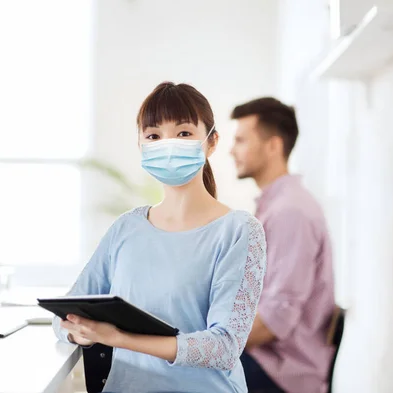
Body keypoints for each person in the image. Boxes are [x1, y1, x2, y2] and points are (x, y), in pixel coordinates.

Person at [52, 82, 267, 393]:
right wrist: (78, 332)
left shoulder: (239, 231)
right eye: (153, 136)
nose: (168, 144)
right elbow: (64, 314)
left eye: (183, 133)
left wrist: (120, 339)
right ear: (141, 145)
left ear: (212, 141)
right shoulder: (126, 228)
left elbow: (224, 347)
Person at [230, 97, 335, 393]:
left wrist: (209, 344)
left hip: (278, 374)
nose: (231, 150)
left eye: (240, 140)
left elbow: (275, 319)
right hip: (265, 360)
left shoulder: (290, 212)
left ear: (273, 146)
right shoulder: (276, 206)